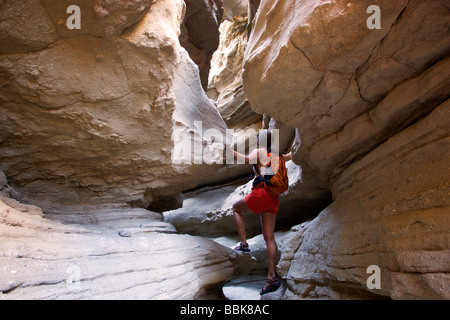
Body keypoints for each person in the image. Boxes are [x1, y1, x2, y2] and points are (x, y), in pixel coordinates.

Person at [229, 129, 292, 295]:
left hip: (261, 194)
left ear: (260, 140)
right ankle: (271, 278)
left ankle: (243, 245)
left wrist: (226, 151)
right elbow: (289, 157)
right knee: (269, 237)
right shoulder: (276, 155)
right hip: (273, 198)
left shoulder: (260, 152)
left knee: (236, 208)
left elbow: (243, 159)